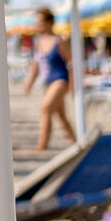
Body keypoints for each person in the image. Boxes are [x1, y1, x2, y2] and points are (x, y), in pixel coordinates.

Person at [23, 12, 75, 149]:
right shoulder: (39, 42)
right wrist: (29, 83)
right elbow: (36, 65)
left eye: (40, 21)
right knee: (61, 115)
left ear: (50, 22)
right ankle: (75, 141)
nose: (37, 24)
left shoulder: (60, 41)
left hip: (60, 79)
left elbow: (71, 62)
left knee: (45, 109)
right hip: (47, 82)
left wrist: (72, 84)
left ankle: (42, 144)